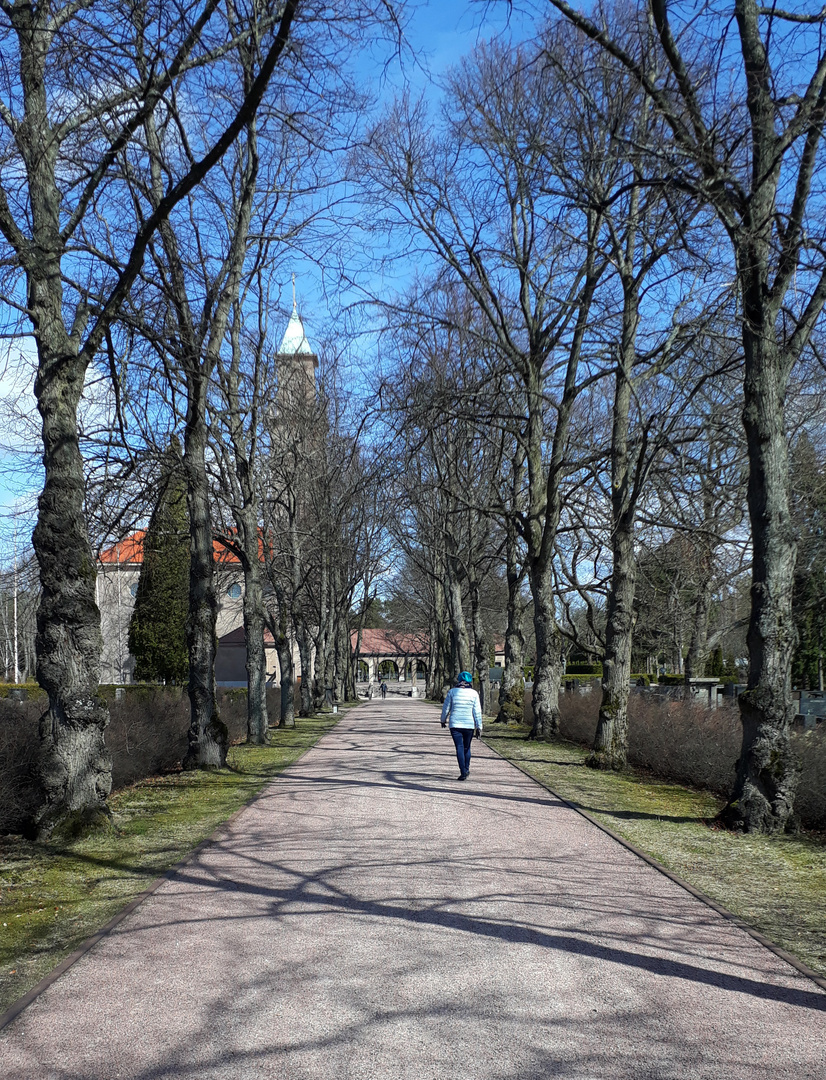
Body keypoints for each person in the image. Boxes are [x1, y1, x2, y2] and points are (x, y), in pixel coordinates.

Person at [441, 671, 482, 781]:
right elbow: (477, 711)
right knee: (467, 747)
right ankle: (466, 768)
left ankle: (462, 771)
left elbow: (446, 708)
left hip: (455, 724)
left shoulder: (452, 692)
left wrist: (443, 720)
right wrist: (479, 726)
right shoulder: (474, 693)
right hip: (469, 725)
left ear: (459, 680)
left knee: (459, 747)